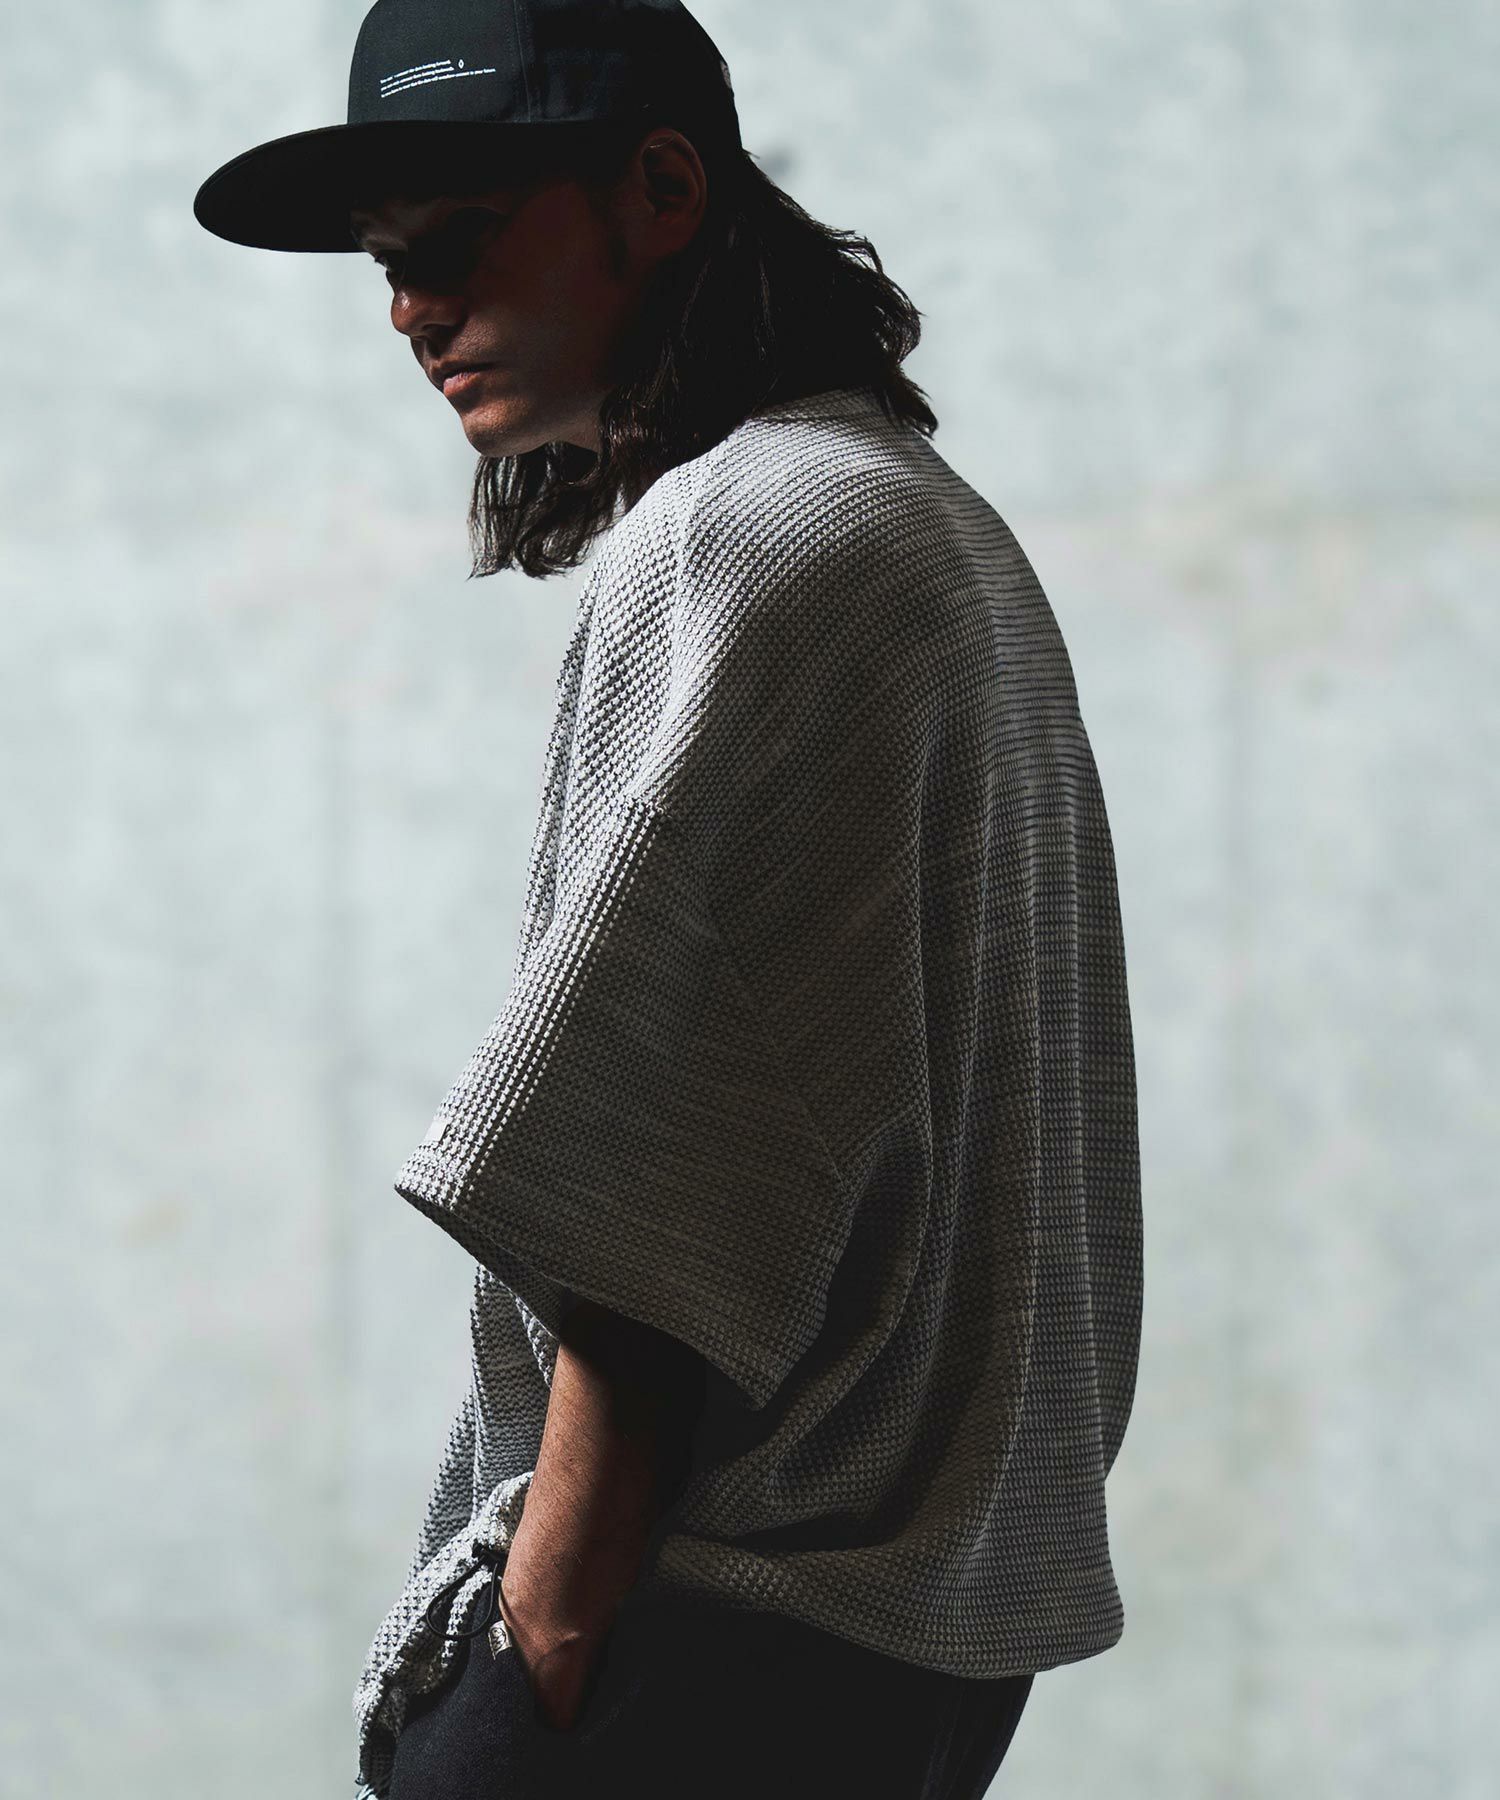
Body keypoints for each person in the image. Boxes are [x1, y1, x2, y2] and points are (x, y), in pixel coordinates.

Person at [193, 4, 1144, 1797]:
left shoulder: (746, 534)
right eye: (389, 265)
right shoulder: (916, 524)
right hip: (899, 1648)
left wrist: (545, 1637)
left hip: (696, 1637)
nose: (411, 312)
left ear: (661, 188)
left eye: (462, 242)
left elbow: (660, 1174)